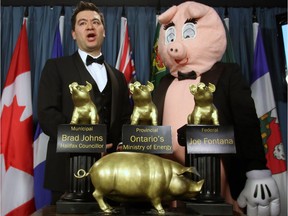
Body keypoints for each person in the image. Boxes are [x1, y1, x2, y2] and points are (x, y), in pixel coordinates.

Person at [38, 1, 132, 204]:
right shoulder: (55, 67)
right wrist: (88, 143)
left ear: (104, 31)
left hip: (111, 175)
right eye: (82, 23)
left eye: (95, 22)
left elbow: (125, 119)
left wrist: (122, 145)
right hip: (66, 172)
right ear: (73, 33)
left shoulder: (118, 76)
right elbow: (47, 115)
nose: (90, 26)